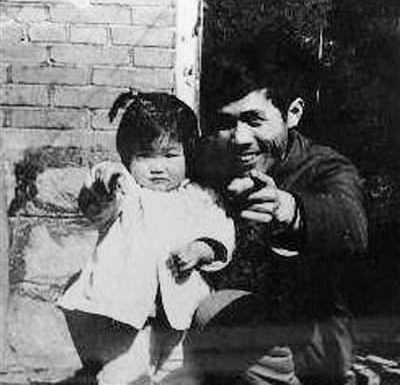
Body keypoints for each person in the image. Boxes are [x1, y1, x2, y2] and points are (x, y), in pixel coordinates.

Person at [177, 31, 368, 385]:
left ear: (292, 113)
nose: (239, 139)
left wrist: (290, 210)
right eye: (226, 122)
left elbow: (352, 225)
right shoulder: (210, 159)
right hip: (224, 337)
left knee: (213, 311)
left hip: (309, 342)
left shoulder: (324, 166)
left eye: (254, 120)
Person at [57, 92, 235, 385]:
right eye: (144, 155)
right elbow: (96, 202)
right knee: (121, 373)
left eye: (170, 155)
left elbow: (220, 230)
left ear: (188, 155)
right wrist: (104, 181)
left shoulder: (197, 198)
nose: (157, 167)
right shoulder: (126, 193)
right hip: (126, 315)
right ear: (128, 158)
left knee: (182, 374)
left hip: (181, 311)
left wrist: (200, 249)